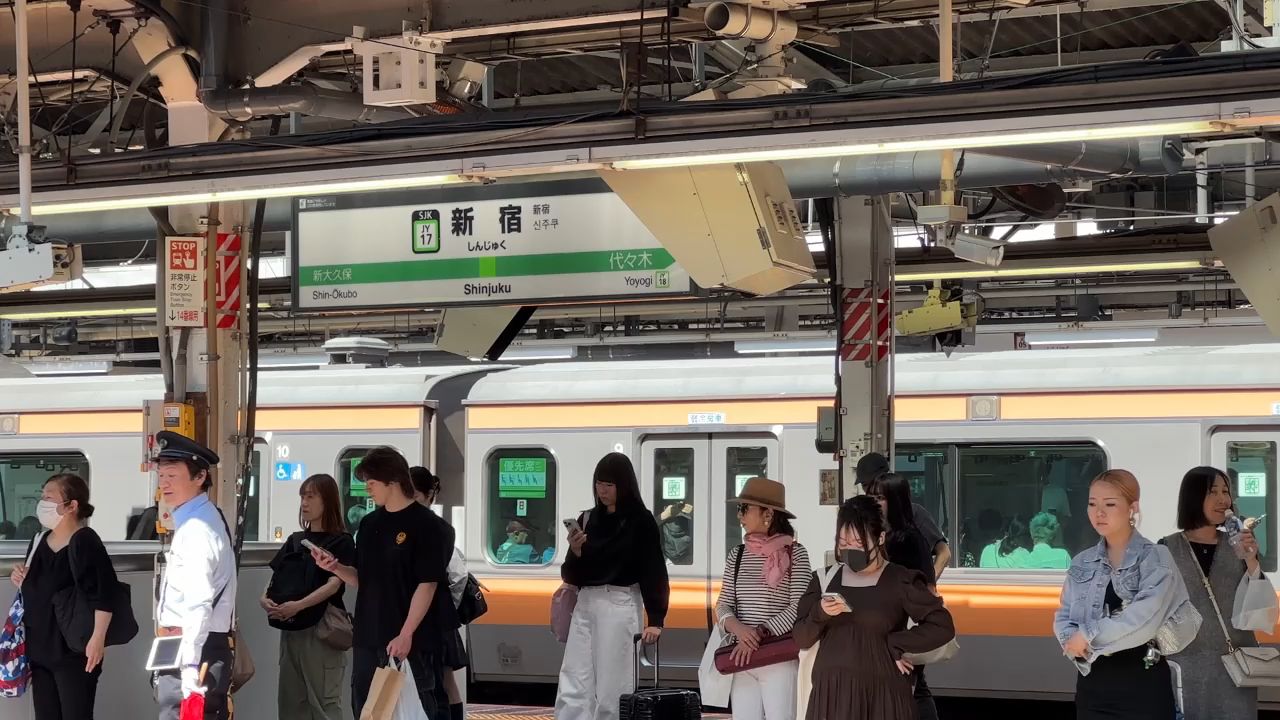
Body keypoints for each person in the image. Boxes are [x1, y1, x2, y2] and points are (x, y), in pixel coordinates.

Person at [312, 447, 448, 720]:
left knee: (416, 708)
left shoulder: (430, 527)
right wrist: (335, 567)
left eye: (371, 483)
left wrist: (406, 633)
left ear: (392, 482)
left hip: (412, 641)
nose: (367, 490)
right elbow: (363, 579)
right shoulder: (370, 524)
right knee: (368, 710)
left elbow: (427, 584)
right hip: (368, 636)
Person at [793, 496, 955, 720]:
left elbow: (942, 625)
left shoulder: (900, 579)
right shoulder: (823, 579)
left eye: (858, 543)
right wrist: (820, 612)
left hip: (884, 699)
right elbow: (801, 637)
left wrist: (897, 643)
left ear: (880, 538)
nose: (849, 549)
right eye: (843, 542)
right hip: (831, 699)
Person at [1053, 469, 1197, 720]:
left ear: (1133, 508)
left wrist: (1086, 636)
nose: (1099, 512)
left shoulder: (1155, 557)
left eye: (1110, 504)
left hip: (1143, 685)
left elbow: (1144, 620)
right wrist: (1070, 640)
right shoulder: (1082, 561)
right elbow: (1064, 615)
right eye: (1092, 503)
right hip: (1092, 685)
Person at [555, 452, 669, 720]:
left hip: (620, 602)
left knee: (613, 685)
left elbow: (653, 570)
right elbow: (570, 575)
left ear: (624, 485)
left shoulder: (641, 521)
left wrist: (656, 618)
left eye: (609, 485)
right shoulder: (587, 519)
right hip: (585, 602)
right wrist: (575, 550)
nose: (602, 491)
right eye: (598, 484)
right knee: (574, 679)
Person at [1162, 466, 1277, 720]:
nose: (1223, 499)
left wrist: (1251, 560)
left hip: (1235, 666)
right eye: (1212, 491)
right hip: (1185, 665)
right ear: (1193, 497)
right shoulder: (1166, 548)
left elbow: (1259, 613)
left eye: (1225, 491)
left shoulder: (1240, 544)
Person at [9, 473, 117, 720]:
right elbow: (34, 583)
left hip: (74, 652)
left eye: (49, 496)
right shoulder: (39, 540)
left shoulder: (86, 541)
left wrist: (97, 639)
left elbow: (104, 593)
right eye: (42, 496)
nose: (42, 502)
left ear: (72, 505)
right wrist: (20, 576)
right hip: (39, 650)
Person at [151, 431, 237, 720]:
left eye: (172, 475)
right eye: (161, 475)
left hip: (195, 649)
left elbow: (199, 602)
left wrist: (189, 666)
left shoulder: (197, 529)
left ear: (200, 477)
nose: (163, 483)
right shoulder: (200, 519)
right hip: (195, 646)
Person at [715, 477, 811, 720]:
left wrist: (758, 633)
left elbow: (799, 606)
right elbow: (723, 603)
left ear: (768, 514)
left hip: (779, 657)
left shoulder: (796, 554)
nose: (740, 516)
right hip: (741, 657)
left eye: (745, 509)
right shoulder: (736, 555)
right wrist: (740, 630)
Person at [263, 474, 355, 720]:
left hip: (323, 628)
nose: (304, 502)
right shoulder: (295, 540)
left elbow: (334, 585)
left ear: (328, 501)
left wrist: (298, 606)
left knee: (324, 703)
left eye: (311, 496)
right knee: (291, 703)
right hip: (291, 630)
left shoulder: (341, 542)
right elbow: (274, 578)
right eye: (303, 496)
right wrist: (265, 600)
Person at [863, 472, 941, 720]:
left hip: (904, 627)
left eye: (880, 498)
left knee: (910, 688)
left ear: (895, 501)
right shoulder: (881, 536)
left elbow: (927, 589)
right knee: (913, 688)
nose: (874, 503)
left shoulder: (908, 539)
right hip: (889, 626)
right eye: (871, 497)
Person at [411, 466, 468, 720]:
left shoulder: (435, 530)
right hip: (440, 617)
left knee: (442, 681)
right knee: (443, 680)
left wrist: (446, 608)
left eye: (413, 494)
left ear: (427, 496)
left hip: (437, 619)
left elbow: (458, 577)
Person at [855, 453, 952, 580]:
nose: (869, 492)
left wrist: (927, 584)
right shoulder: (863, 518)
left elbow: (944, 553)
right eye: (865, 486)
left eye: (879, 495)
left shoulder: (915, 514)